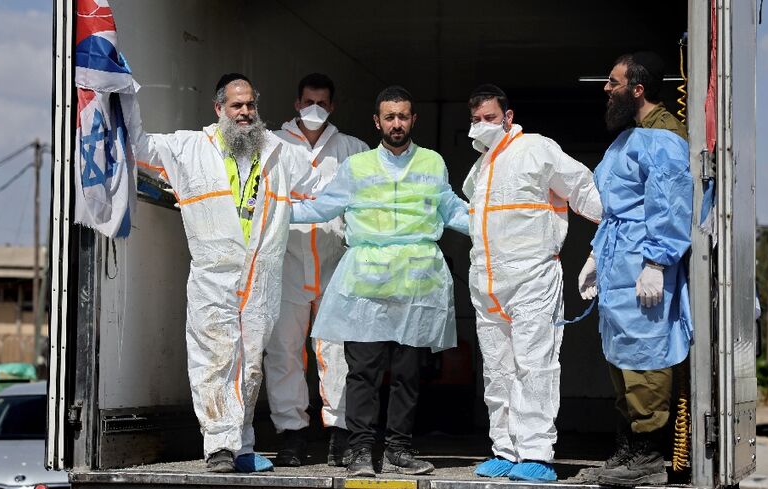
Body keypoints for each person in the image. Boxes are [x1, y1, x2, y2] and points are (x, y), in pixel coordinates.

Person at [135, 73, 315, 473]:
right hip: (214, 275)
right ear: (219, 109)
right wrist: (124, 96)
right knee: (215, 359)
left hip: (260, 275)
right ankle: (218, 446)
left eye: (250, 105)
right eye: (237, 106)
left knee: (250, 365)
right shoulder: (189, 148)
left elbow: (323, 188)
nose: (246, 113)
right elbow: (138, 145)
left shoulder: (278, 152)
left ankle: (243, 446)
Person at [290, 86, 469, 477]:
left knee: (408, 374)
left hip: (416, 286)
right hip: (366, 288)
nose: (397, 124)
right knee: (364, 373)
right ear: (377, 122)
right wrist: (273, 211)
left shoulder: (433, 162)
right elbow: (323, 206)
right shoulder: (357, 167)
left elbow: (452, 208)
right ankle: (360, 452)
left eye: (403, 116)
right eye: (390, 117)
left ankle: (399, 450)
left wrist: (498, 227)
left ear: (413, 119)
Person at [461, 84, 602, 482]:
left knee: (535, 366)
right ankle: (504, 450)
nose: (483, 126)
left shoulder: (537, 149)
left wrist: (609, 241)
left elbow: (583, 190)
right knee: (498, 371)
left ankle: (536, 453)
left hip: (533, 279)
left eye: (490, 118)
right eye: (476, 120)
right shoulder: (481, 167)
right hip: (487, 283)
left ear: (508, 117)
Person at [576, 51, 692, 486]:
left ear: (637, 90)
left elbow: (669, 202)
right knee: (622, 355)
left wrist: (656, 262)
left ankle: (646, 455)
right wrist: (594, 255)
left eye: (613, 82)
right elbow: (615, 206)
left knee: (645, 355)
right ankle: (626, 450)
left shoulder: (662, 137)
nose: (606, 90)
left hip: (643, 263)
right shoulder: (630, 136)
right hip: (618, 261)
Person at [264, 73, 369, 467]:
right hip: (285, 263)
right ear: (296, 103)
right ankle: (291, 434)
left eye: (322, 103)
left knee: (337, 351)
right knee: (284, 351)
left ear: (333, 107)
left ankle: (340, 433)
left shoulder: (352, 149)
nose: (315, 109)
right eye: (309, 101)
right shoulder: (271, 144)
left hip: (334, 263)